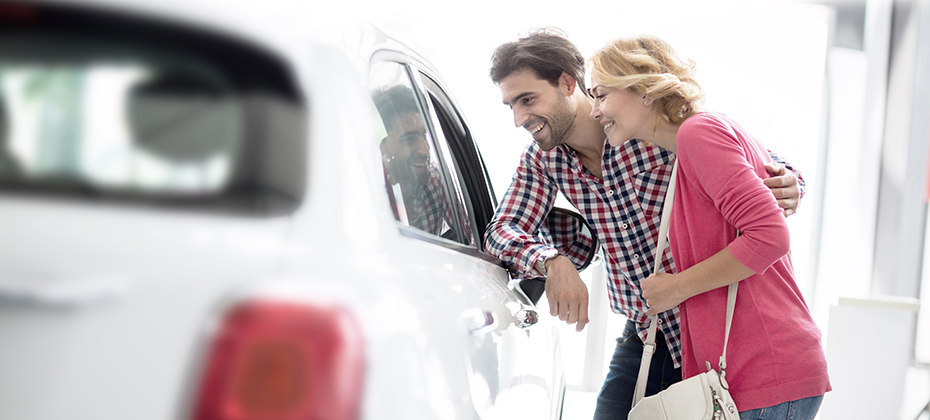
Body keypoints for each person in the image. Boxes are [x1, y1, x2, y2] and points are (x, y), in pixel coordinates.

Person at [483, 28, 806, 420]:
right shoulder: (544, 159)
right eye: (511, 105)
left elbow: (757, 165)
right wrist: (552, 262)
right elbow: (501, 232)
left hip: (708, 331)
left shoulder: (649, 123)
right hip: (645, 334)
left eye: (527, 99)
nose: (519, 118)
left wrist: (789, 181)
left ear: (569, 82)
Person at [588, 34, 830, 418]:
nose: (594, 111)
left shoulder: (699, 134)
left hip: (764, 372)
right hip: (750, 375)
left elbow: (769, 237)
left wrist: (675, 289)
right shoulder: (689, 150)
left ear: (644, 89)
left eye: (601, 95)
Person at [373, 85, 470, 242]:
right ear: (382, 147)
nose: (425, 151)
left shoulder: (436, 179)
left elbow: (473, 235)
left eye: (424, 135)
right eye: (409, 139)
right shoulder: (367, 198)